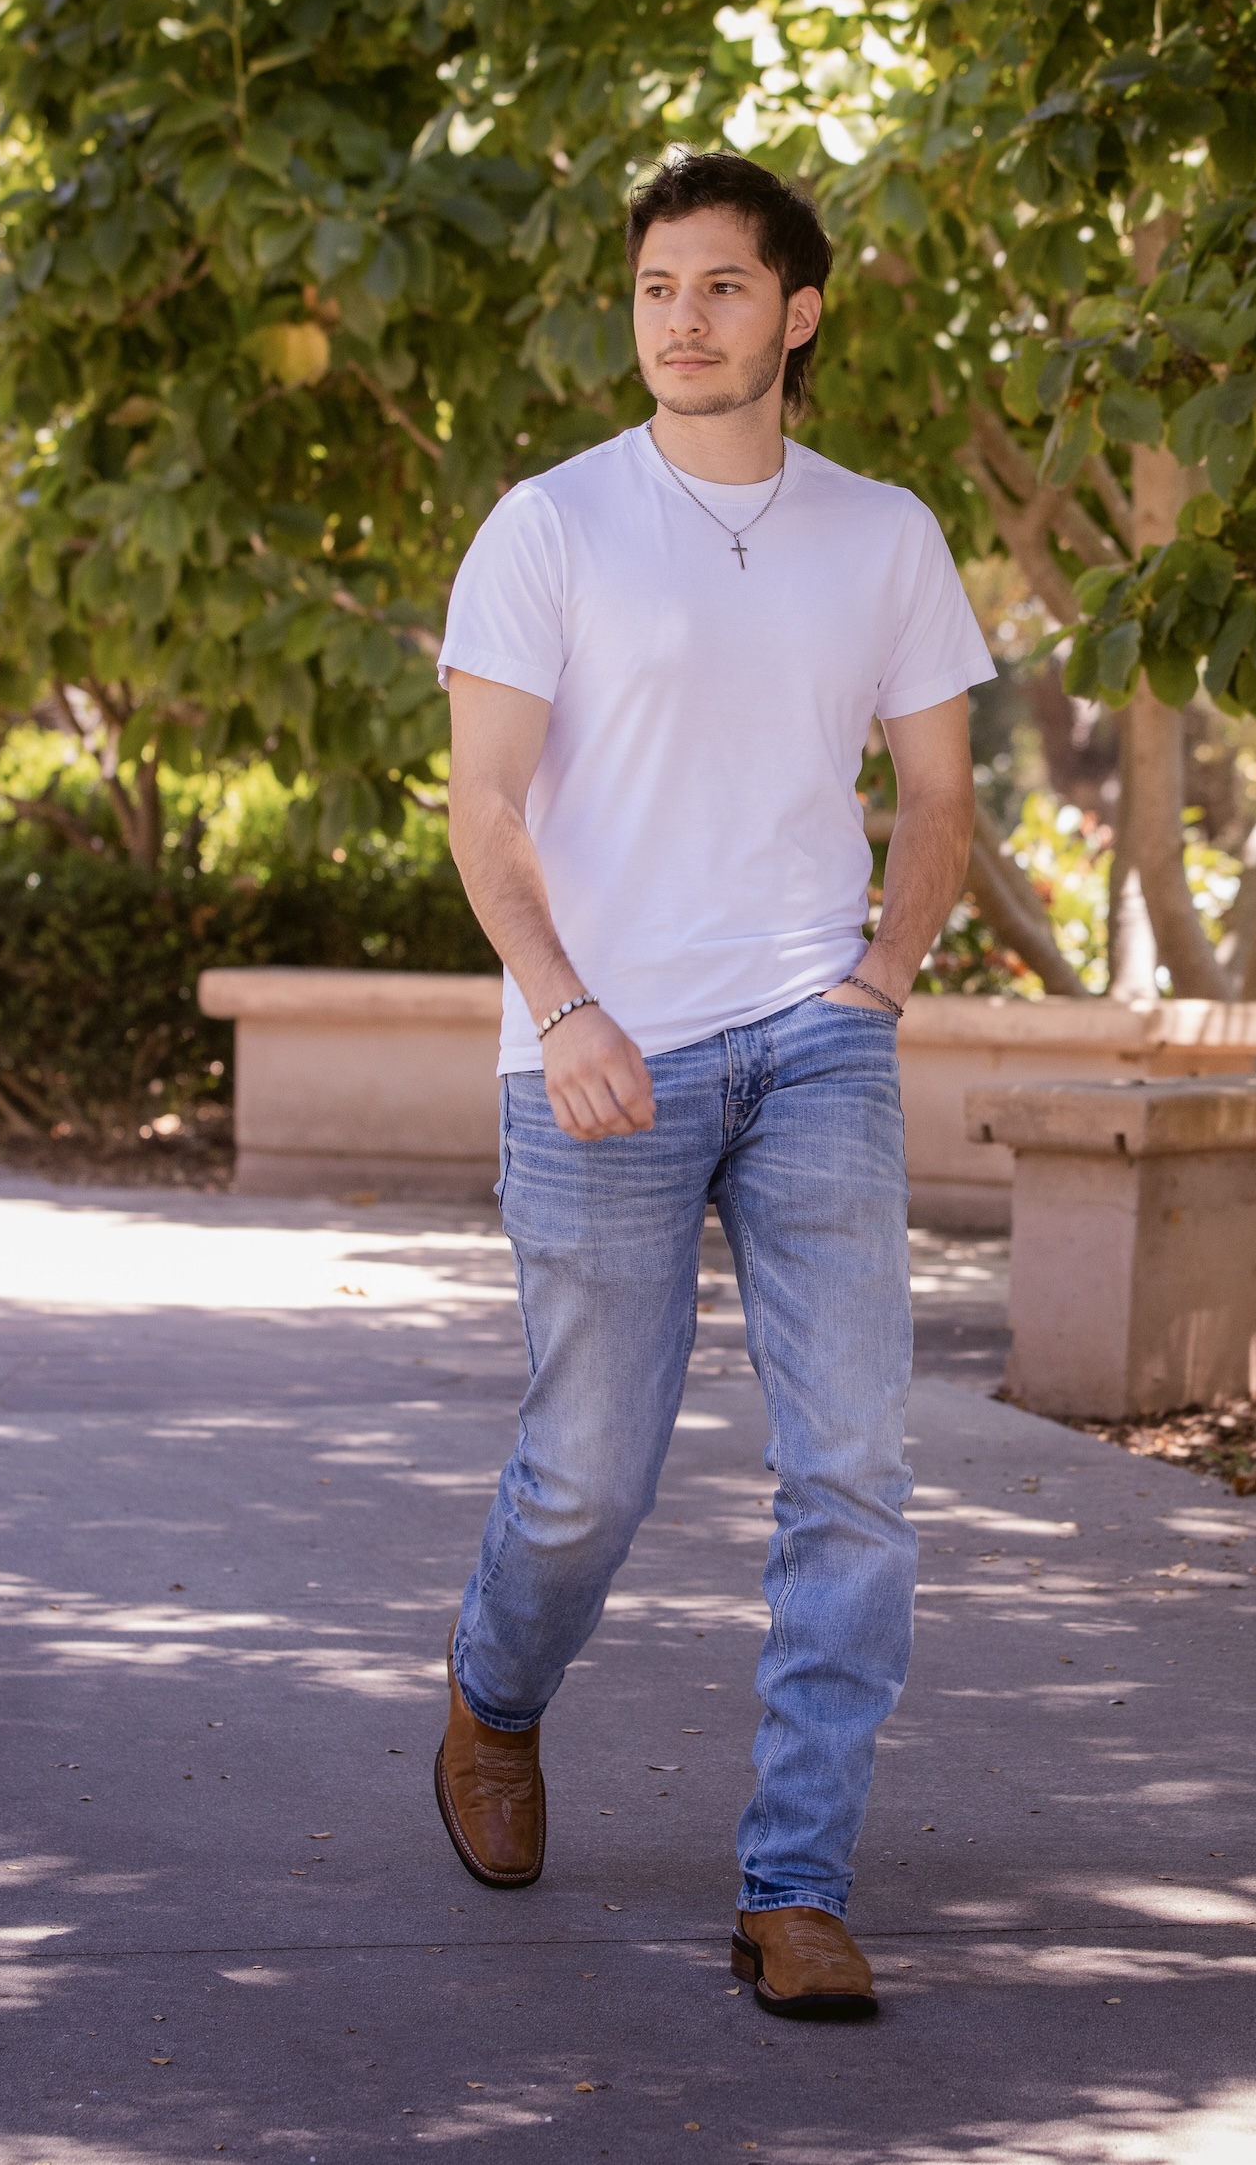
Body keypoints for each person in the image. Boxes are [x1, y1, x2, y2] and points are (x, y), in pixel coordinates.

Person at [429, 149, 990, 2020]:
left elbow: (938, 798)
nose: (684, 318)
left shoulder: (887, 534)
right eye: (659, 287)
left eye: (723, 287)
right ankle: (496, 1696)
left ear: (798, 312)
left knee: (856, 1473)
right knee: (592, 1474)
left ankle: (796, 1887)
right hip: (600, 1049)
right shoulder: (554, 525)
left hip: (816, 1039)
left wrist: (880, 979)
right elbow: (484, 806)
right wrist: (567, 1002)